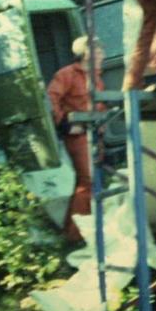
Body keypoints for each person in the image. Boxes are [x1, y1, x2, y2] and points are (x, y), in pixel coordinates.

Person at [47, 36, 105, 242]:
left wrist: (102, 127)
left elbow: (99, 106)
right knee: (87, 182)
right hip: (79, 136)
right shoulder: (67, 74)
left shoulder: (97, 78)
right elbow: (51, 98)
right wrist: (64, 124)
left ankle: (89, 230)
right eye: (97, 50)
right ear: (84, 53)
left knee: (96, 182)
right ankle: (74, 235)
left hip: (94, 134)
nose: (102, 54)